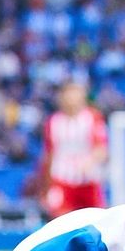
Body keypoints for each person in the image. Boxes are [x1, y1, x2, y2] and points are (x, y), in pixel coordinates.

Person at [42, 81, 108, 219]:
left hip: (88, 181)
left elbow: (102, 149)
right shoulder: (53, 122)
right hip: (62, 180)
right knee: (60, 222)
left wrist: (90, 161)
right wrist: (46, 187)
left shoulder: (93, 118)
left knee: (96, 222)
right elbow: (49, 155)